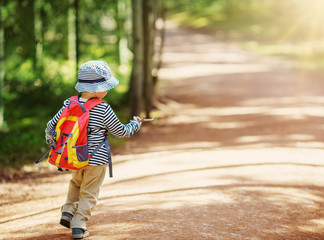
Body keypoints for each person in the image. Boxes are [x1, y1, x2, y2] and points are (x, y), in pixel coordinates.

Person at [45, 60, 142, 239]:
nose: (107, 90)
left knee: (75, 184)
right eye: (106, 86)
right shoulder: (103, 108)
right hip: (97, 160)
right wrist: (135, 124)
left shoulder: (69, 103)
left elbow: (51, 126)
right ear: (98, 89)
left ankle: (67, 211)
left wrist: (54, 145)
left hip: (74, 157)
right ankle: (79, 225)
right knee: (89, 192)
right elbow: (121, 132)